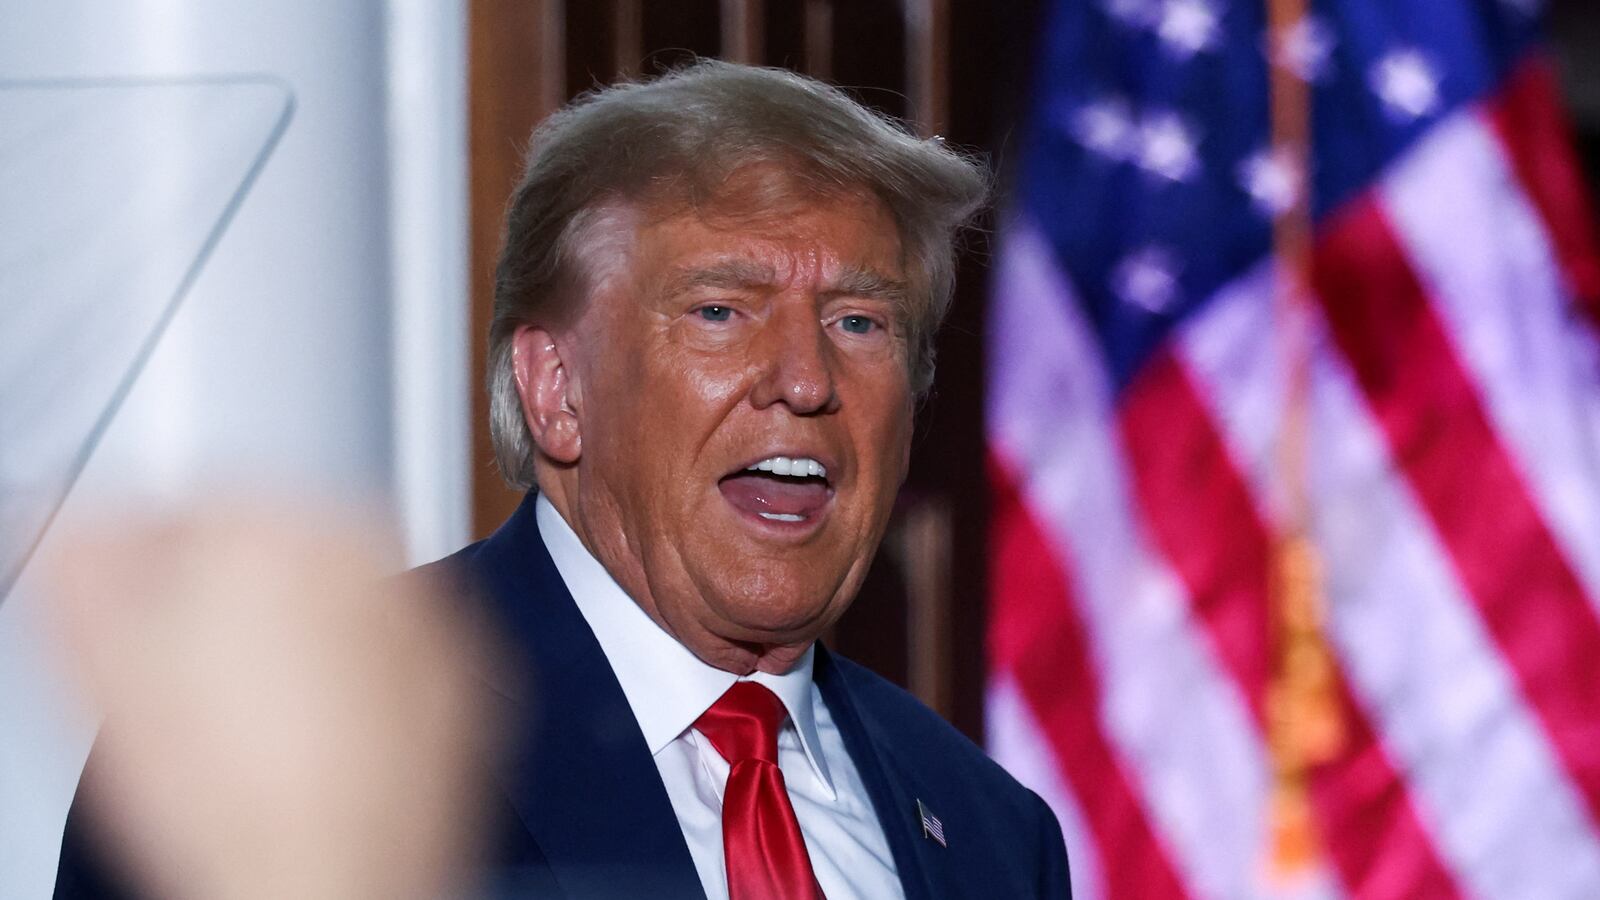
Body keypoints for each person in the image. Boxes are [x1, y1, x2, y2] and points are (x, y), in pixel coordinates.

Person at [55, 60, 1070, 899]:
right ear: (555, 391)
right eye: (720, 310)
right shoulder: (311, 743)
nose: (806, 380)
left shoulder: (989, 831)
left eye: (860, 322)